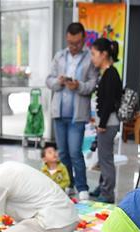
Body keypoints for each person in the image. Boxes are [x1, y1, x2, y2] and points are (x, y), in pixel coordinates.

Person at [46, 22, 99, 199]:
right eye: (70, 42)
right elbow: (49, 80)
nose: (73, 46)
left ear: (83, 39)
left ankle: (82, 186)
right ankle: (67, 184)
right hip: (59, 113)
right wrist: (59, 82)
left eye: (76, 43)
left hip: (78, 114)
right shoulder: (59, 56)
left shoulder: (90, 58)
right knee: (63, 152)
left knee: (75, 152)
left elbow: (92, 84)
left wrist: (78, 85)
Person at [91, 37, 123, 204]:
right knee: (103, 156)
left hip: (108, 123)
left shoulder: (111, 74)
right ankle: (103, 186)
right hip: (107, 122)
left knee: (106, 159)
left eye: (94, 54)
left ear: (103, 54)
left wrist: (102, 124)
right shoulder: (108, 73)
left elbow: (109, 102)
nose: (92, 58)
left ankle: (108, 193)